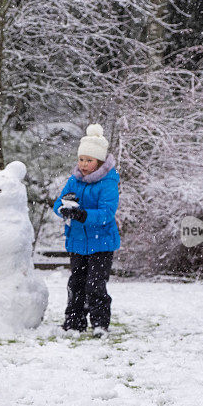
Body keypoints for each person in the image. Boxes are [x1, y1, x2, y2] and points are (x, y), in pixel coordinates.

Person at [53, 124, 120, 336]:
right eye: (81, 159)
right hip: (78, 243)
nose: (83, 164)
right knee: (76, 283)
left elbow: (107, 213)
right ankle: (74, 323)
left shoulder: (108, 183)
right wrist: (65, 208)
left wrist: (83, 215)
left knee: (95, 284)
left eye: (89, 160)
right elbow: (58, 204)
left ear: (99, 162)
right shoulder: (74, 180)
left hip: (101, 243)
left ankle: (100, 324)